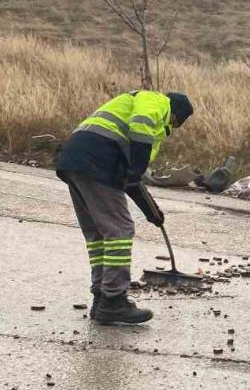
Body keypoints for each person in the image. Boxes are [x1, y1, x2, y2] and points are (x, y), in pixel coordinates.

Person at [56, 90, 194, 325]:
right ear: (176, 114)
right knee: (120, 230)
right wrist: (137, 167)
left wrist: (152, 213)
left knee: (100, 234)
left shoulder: (125, 113)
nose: (171, 127)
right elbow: (141, 131)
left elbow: (132, 180)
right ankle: (113, 301)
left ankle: (101, 298)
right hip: (98, 160)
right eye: (175, 122)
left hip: (76, 159)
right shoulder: (156, 101)